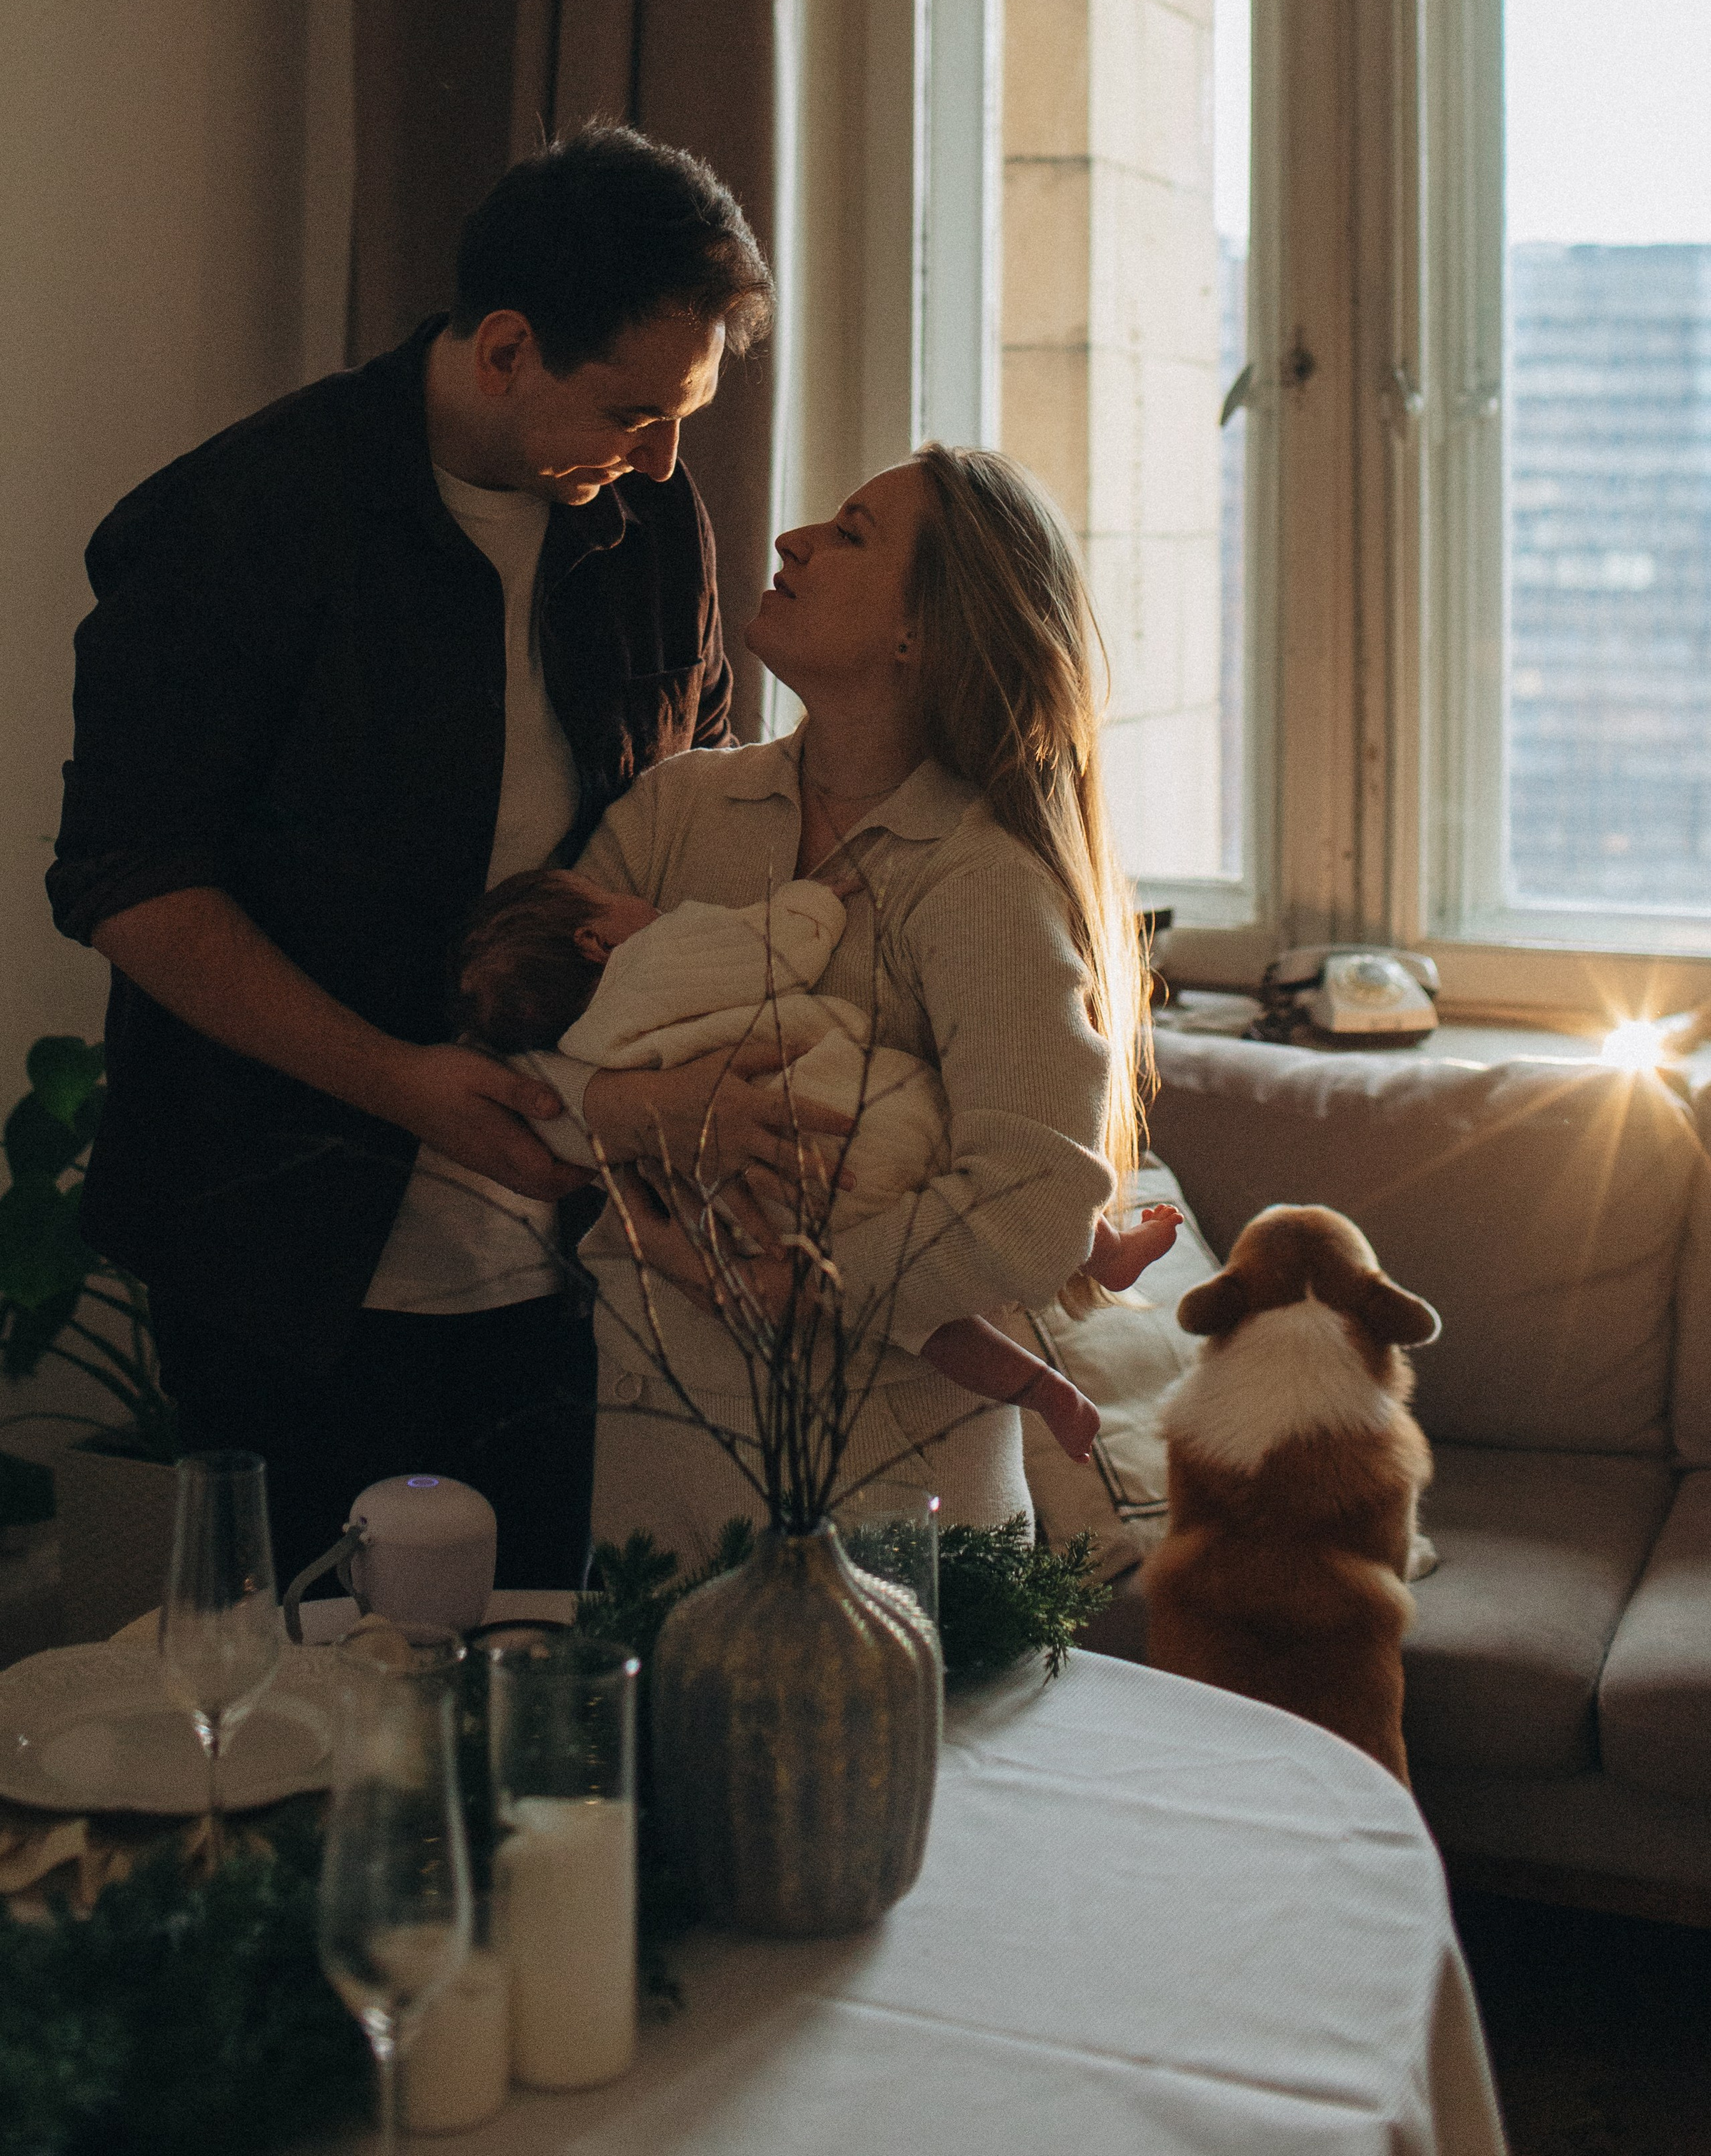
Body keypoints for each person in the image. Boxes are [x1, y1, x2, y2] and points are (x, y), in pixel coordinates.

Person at [45, 123, 811, 1593]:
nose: (665, 460)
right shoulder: (237, 521)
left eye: (685, 416)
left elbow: (695, 809)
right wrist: (398, 1081)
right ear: (507, 348)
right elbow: (131, 884)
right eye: (635, 412)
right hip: (284, 1246)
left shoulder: (649, 518)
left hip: (572, 1253)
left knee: (547, 1673)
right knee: (319, 1684)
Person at [522, 442, 1155, 1558]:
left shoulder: (980, 879)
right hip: (650, 1462)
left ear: (922, 632)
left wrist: (805, 1285)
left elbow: (1032, 1198)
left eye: (852, 533)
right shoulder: (677, 809)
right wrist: (649, 1111)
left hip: (894, 1504)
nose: (790, 540)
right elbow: (521, 1056)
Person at [450, 865, 1182, 1464]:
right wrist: (812, 901)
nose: (638, 900)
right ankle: (1104, 1250)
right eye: (613, 898)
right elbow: (772, 948)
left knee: (911, 1319)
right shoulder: (655, 956)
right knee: (968, 1162)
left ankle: (1046, 1393)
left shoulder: (574, 1048)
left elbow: (550, 1110)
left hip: (767, 1203)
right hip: (847, 1112)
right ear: (594, 941)